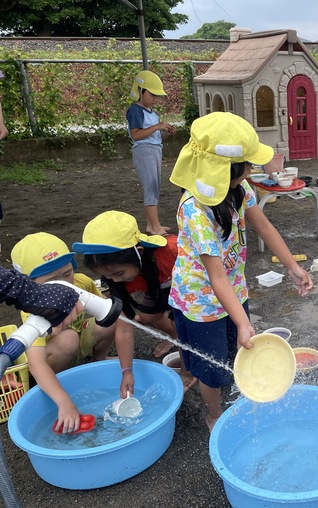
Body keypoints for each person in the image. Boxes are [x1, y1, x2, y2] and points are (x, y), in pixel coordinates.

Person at [168, 112, 313, 431]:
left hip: (233, 293)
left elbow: (263, 225)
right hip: (201, 304)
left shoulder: (239, 189)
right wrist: (244, 321)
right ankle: (213, 411)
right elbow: (215, 276)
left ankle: (227, 386)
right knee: (212, 368)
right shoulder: (195, 210)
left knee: (234, 351)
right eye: (247, 165)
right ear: (224, 171)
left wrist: (292, 266)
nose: (252, 169)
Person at [11, 232, 135, 433]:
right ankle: (57, 383)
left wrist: (126, 369)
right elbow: (36, 363)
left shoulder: (81, 283)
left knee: (109, 321)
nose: (65, 284)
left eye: (67, 273)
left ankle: (99, 359)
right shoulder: (32, 309)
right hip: (54, 353)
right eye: (52, 280)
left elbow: (108, 311)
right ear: (30, 285)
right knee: (67, 339)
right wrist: (65, 402)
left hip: (78, 337)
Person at [73, 210, 197, 391]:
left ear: (138, 253)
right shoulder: (118, 278)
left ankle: (185, 349)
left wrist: (186, 372)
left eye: (118, 273)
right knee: (146, 318)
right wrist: (127, 371)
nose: (114, 280)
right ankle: (175, 337)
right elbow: (124, 329)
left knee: (181, 325)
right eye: (107, 276)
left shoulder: (172, 251)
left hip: (188, 287)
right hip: (159, 288)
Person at [126, 70, 176, 236]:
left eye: (157, 96)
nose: (155, 99)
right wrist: (157, 126)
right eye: (152, 94)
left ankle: (152, 225)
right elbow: (136, 135)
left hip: (154, 150)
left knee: (154, 186)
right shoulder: (135, 110)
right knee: (151, 186)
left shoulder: (152, 113)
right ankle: (155, 227)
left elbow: (156, 137)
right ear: (140, 91)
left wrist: (166, 132)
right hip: (144, 151)